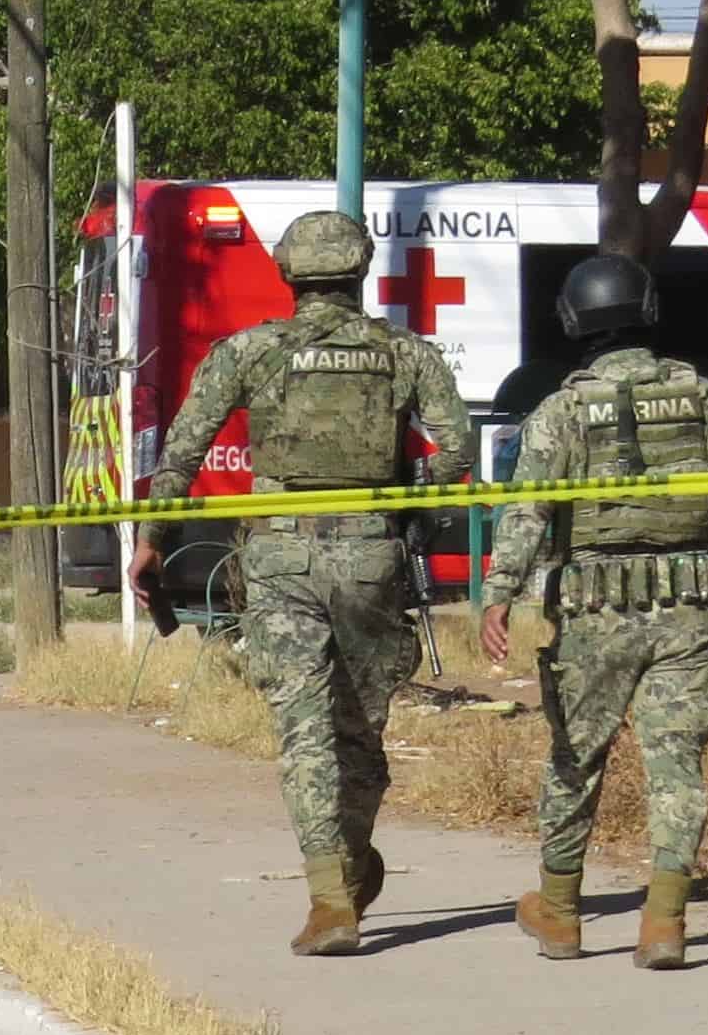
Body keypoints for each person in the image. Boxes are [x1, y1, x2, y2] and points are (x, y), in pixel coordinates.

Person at [136, 210, 470, 956]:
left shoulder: (249, 351)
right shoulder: (403, 354)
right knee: (359, 732)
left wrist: (152, 541)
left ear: (289, 271)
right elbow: (457, 450)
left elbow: (183, 449)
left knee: (305, 730)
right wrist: (403, 493)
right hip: (370, 556)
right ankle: (343, 876)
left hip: (280, 557)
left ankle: (334, 894)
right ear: (359, 270)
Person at [478, 253, 708, 971]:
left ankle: (563, 915)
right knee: (677, 767)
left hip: (593, 611)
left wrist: (500, 596)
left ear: (574, 320)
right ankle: (664, 924)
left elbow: (527, 510)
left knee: (577, 759)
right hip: (693, 607)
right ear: (649, 311)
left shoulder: (563, 409)